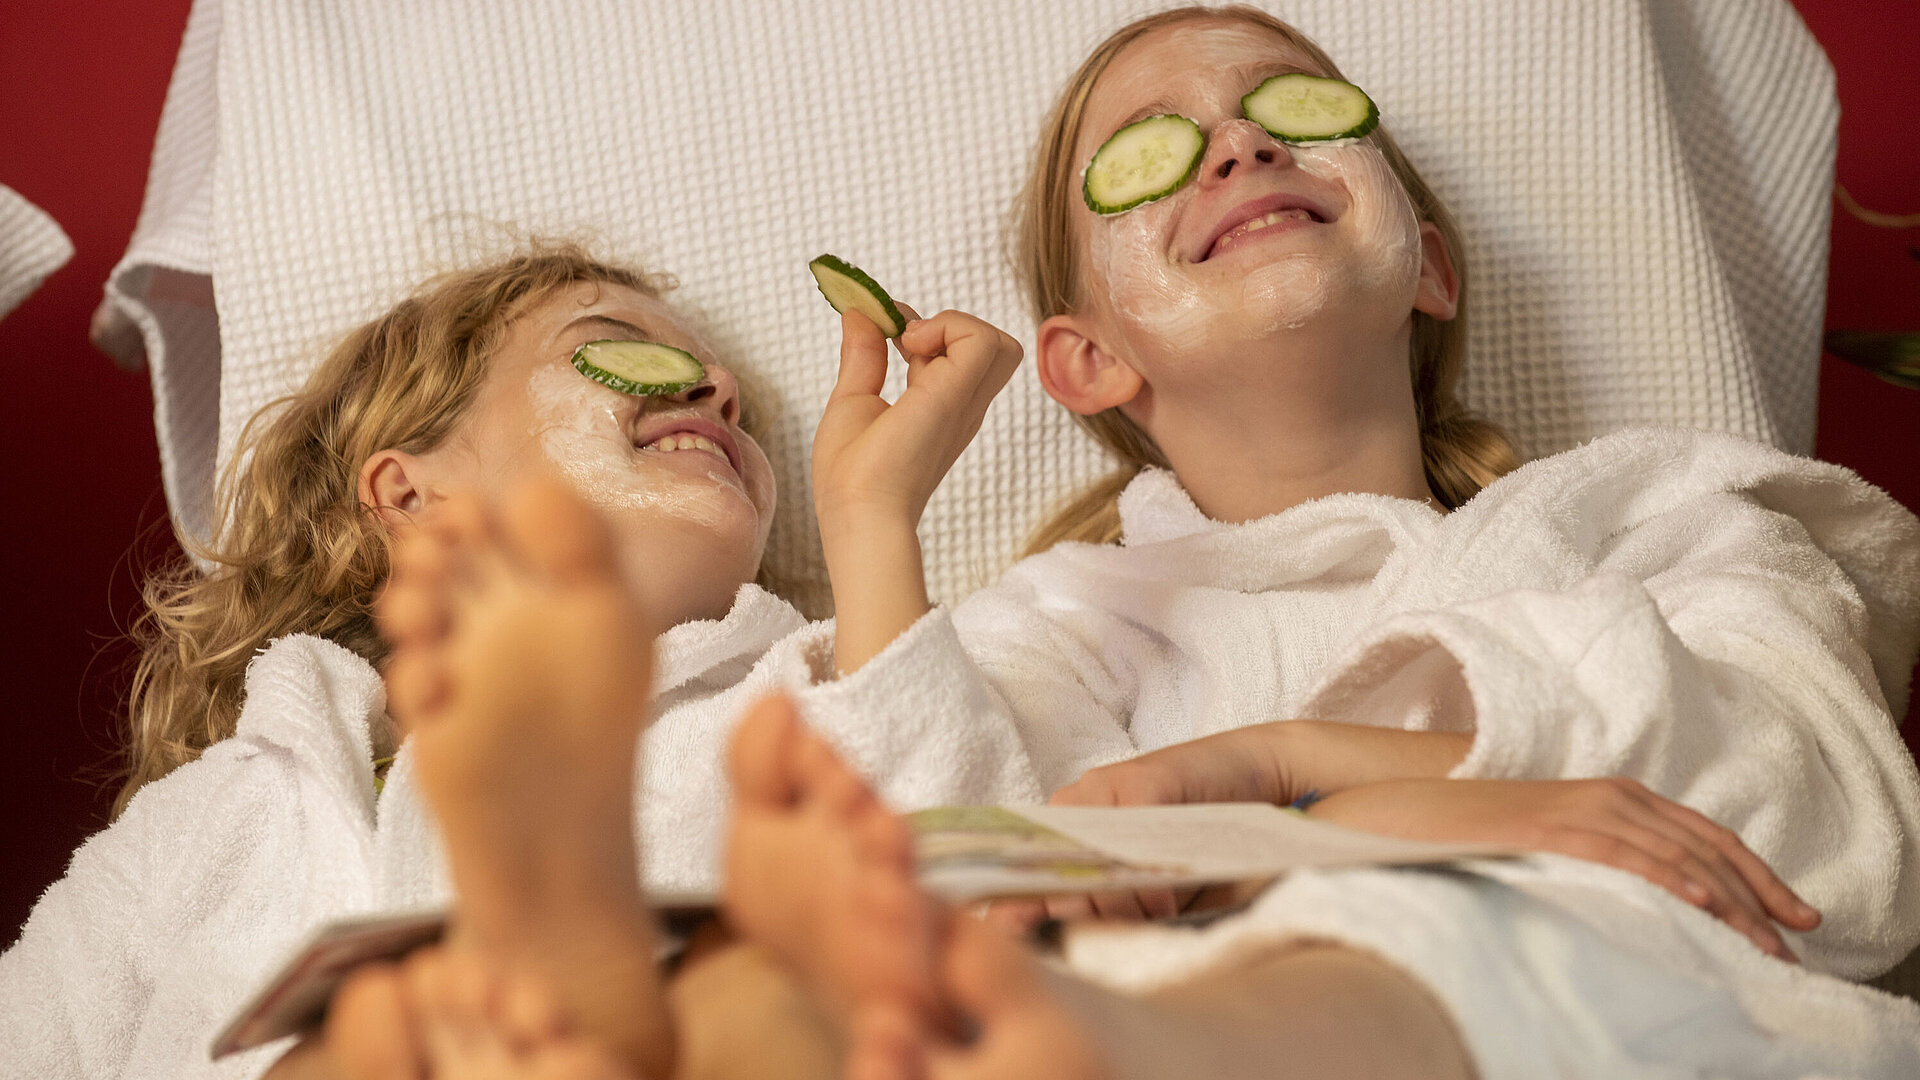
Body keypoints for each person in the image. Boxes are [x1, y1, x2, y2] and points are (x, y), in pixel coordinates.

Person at [0, 243, 1037, 1080]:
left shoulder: (794, 718)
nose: (716, 390)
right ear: (409, 496)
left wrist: (873, 518)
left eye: (739, 411)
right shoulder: (205, 829)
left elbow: (995, 938)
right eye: (616, 348)